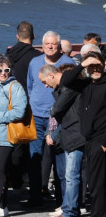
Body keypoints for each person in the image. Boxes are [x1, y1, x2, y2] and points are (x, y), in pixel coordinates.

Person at [26, 31, 74, 207]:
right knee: (35, 157)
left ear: (59, 45)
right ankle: (35, 196)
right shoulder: (34, 62)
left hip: (59, 117)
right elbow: (30, 86)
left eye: (54, 44)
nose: (50, 47)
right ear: (42, 44)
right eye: (47, 44)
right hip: (37, 116)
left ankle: (62, 201)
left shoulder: (68, 63)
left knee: (59, 159)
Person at [61, 51, 106, 217]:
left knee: (98, 183)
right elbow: (65, 80)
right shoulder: (85, 83)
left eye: (98, 65)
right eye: (91, 66)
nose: (95, 69)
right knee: (93, 183)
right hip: (88, 139)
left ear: (104, 65)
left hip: (100, 140)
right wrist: (82, 64)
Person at [0, 56, 28, 217]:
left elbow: (19, 111)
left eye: (6, 70)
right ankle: (3, 205)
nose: (3, 73)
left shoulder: (15, 87)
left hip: (6, 134)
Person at [39, 64, 85, 217]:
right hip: (70, 133)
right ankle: (70, 207)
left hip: (74, 134)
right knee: (69, 175)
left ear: (51, 75)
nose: (46, 86)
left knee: (71, 175)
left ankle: (70, 211)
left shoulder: (67, 88)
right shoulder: (63, 89)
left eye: (45, 82)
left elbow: (56, 109)